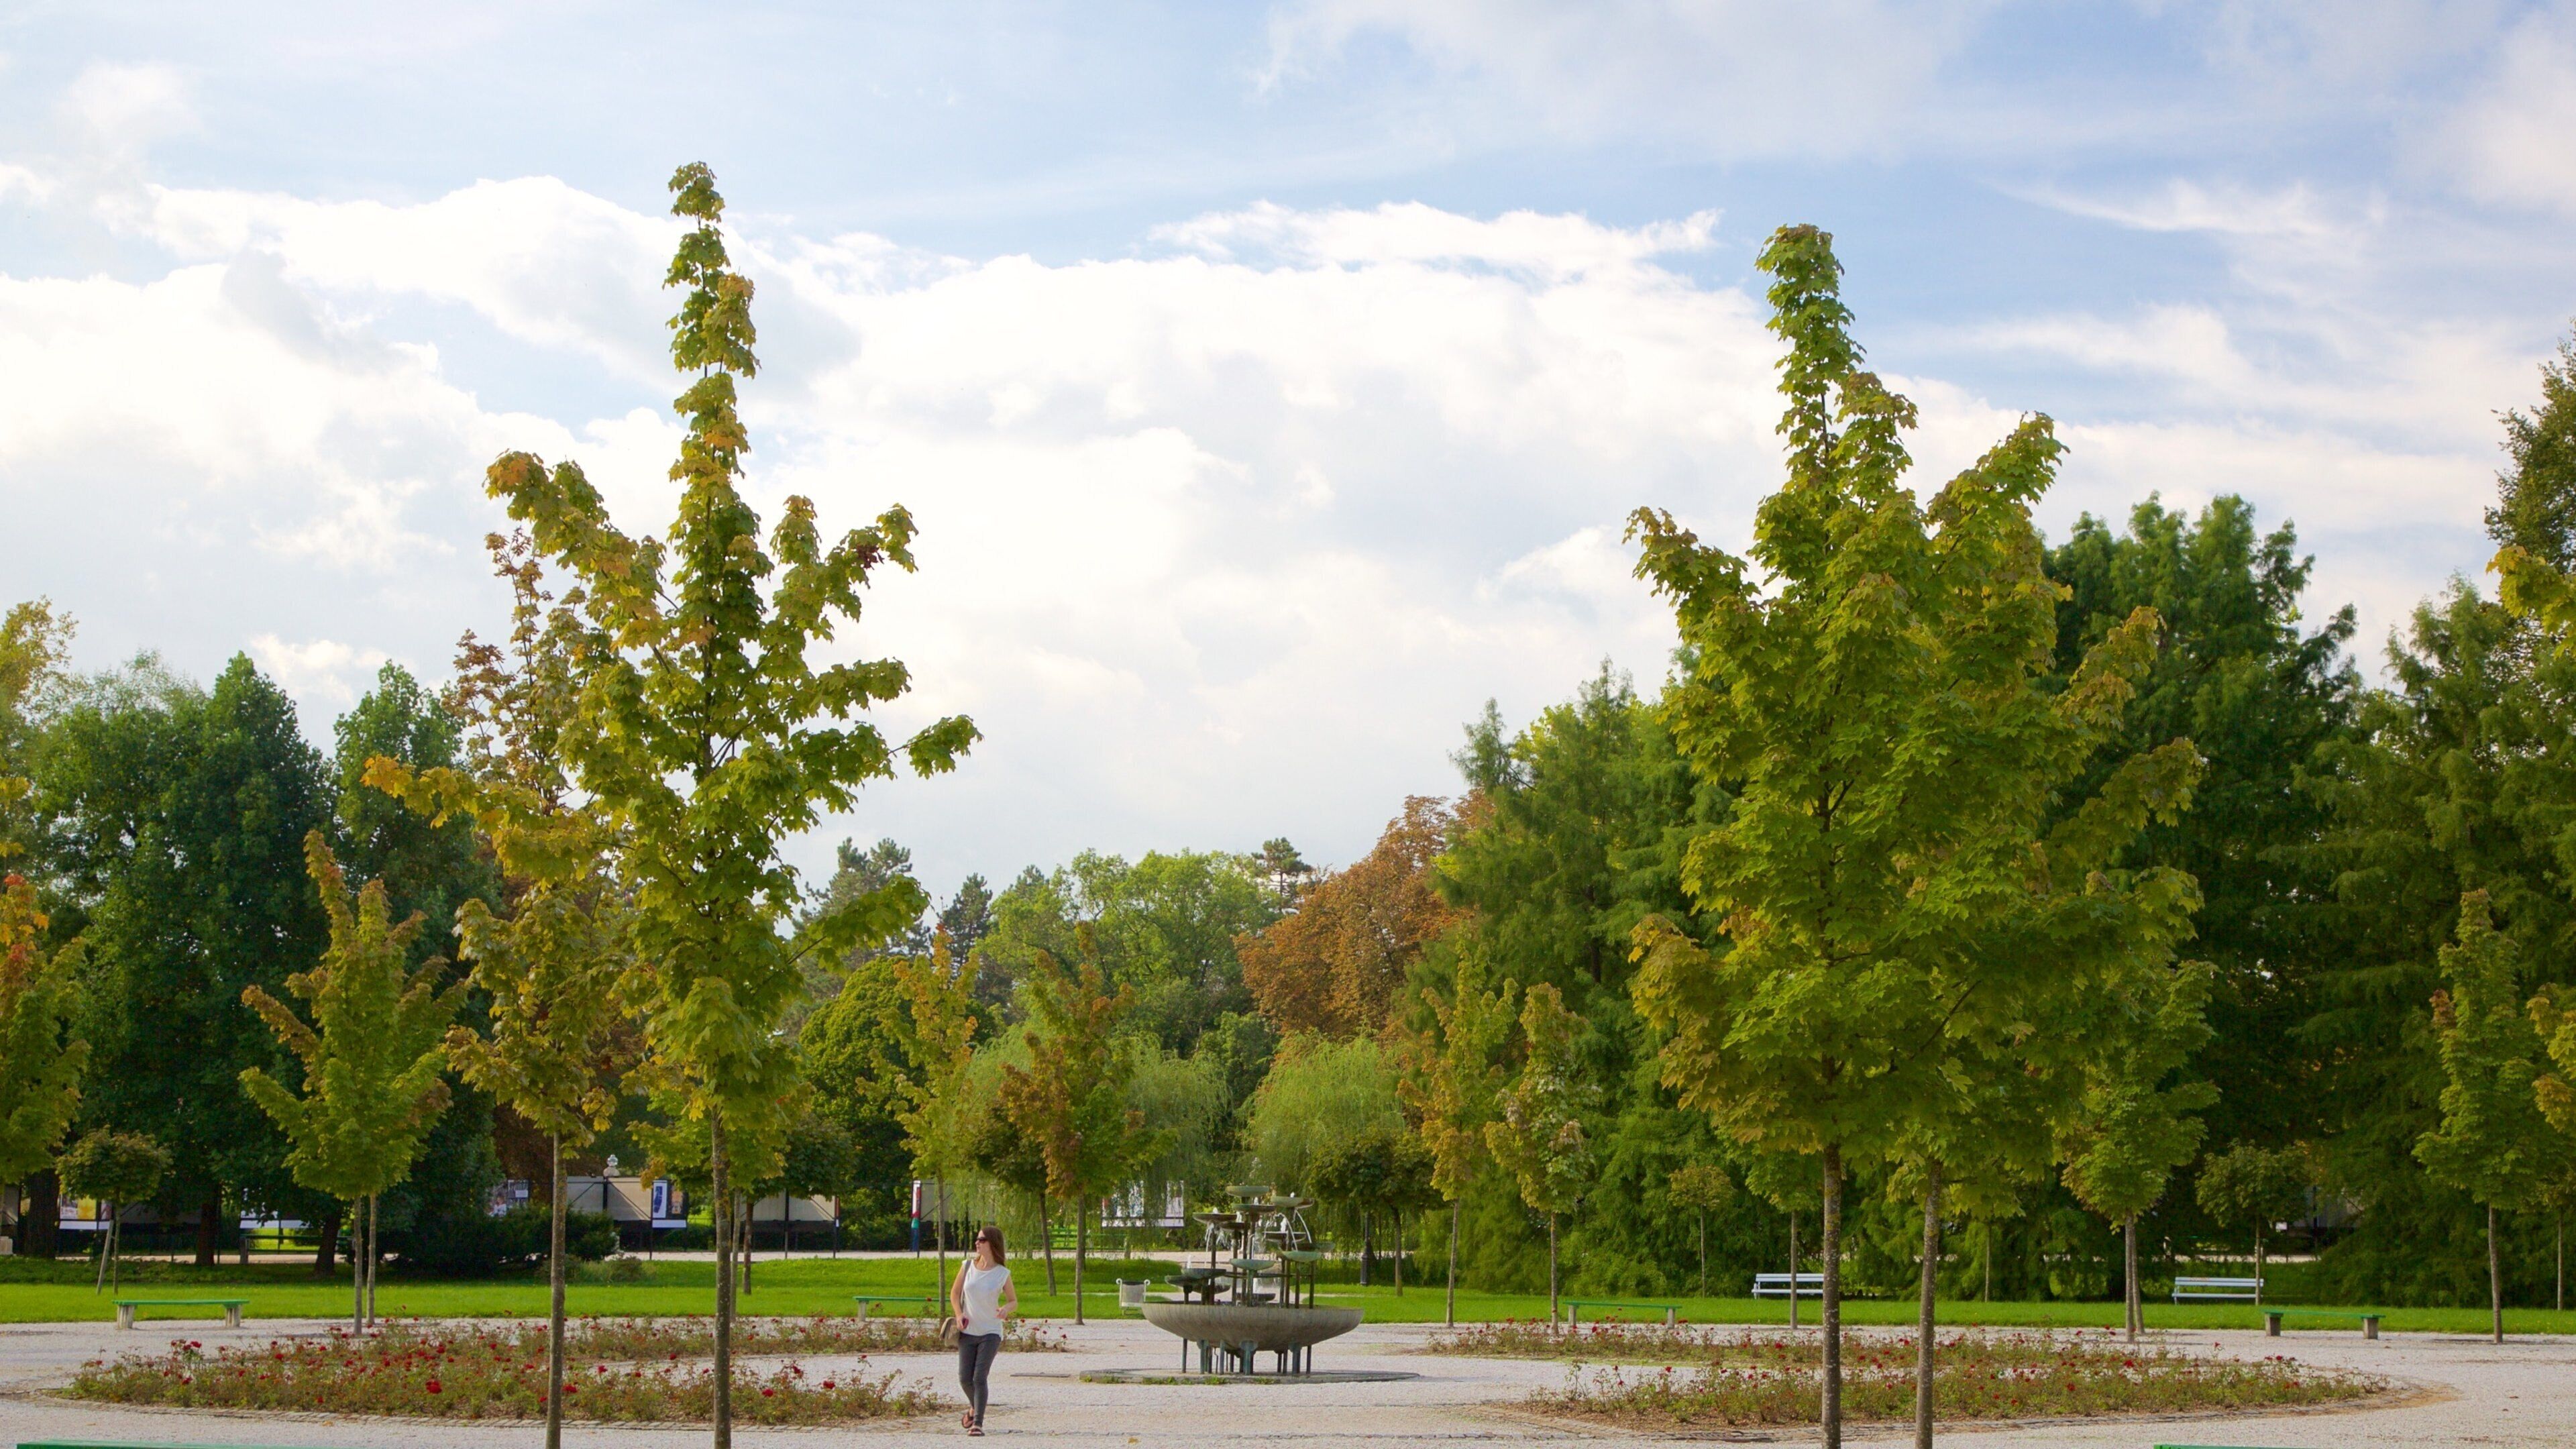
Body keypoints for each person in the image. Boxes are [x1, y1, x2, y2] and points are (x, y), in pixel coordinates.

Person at [951, 1224, 1016, 1435]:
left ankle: (978, 1423)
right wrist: (959, 1314)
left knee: (979, 1377)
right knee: (964, 1378)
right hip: (968, 1331)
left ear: (992, 1244)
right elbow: (955, 1294)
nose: (977, 1243)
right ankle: (974, 1407)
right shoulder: (967, 1266)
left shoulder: (1002, 1273)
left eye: (982, 1240)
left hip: (990, 1332)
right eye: (977, 1239)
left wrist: (1006, 1309)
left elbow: (1013, 1301)